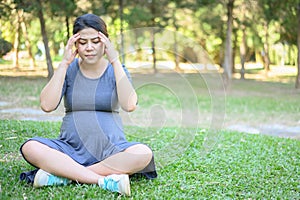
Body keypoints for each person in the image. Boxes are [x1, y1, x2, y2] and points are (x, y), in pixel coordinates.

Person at [19, 13, 157, 196]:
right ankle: (102, 180)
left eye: (95, 41)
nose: (89, 48)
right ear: (75, 45)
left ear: (105, 42)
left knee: (143, 153)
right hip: (69, 149)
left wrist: (115, 60)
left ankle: (65, 175)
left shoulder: (117, 70)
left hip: (111, 151)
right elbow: (47, 105)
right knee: (30, 147)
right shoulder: (68, 70)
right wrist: (64, 63)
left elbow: (130, 105)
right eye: (83, 42)